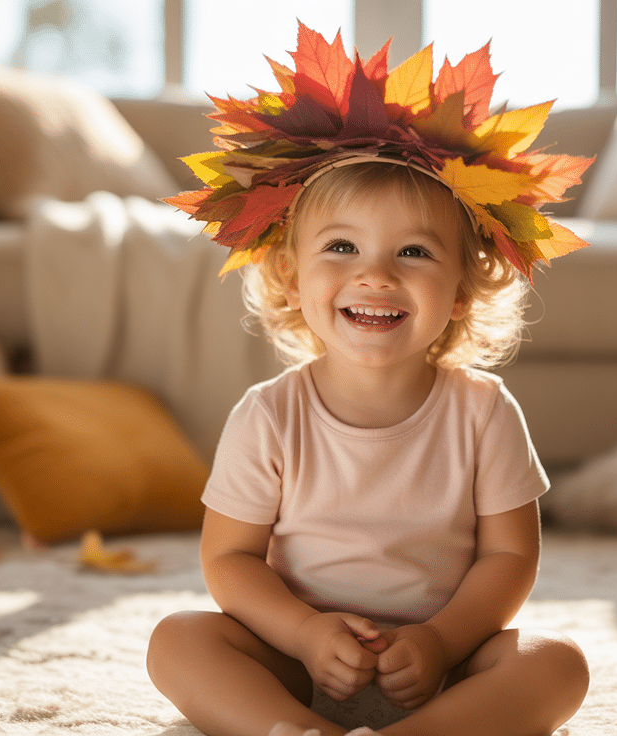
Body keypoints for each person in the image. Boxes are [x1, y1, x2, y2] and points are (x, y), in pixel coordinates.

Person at [148, 25, 593, 736]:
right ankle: (295, 728)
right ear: (292, 277)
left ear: (462, 289)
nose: (376, 275)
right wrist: (301, 634)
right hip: (296, 662)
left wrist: (443, 640)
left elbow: (511, 556)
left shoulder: (483, 412)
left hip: (444, 666)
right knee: (177, 639)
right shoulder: (269, 415)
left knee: (559, 663)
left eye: (414, 251)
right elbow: (229, 559)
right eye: (342, 246)